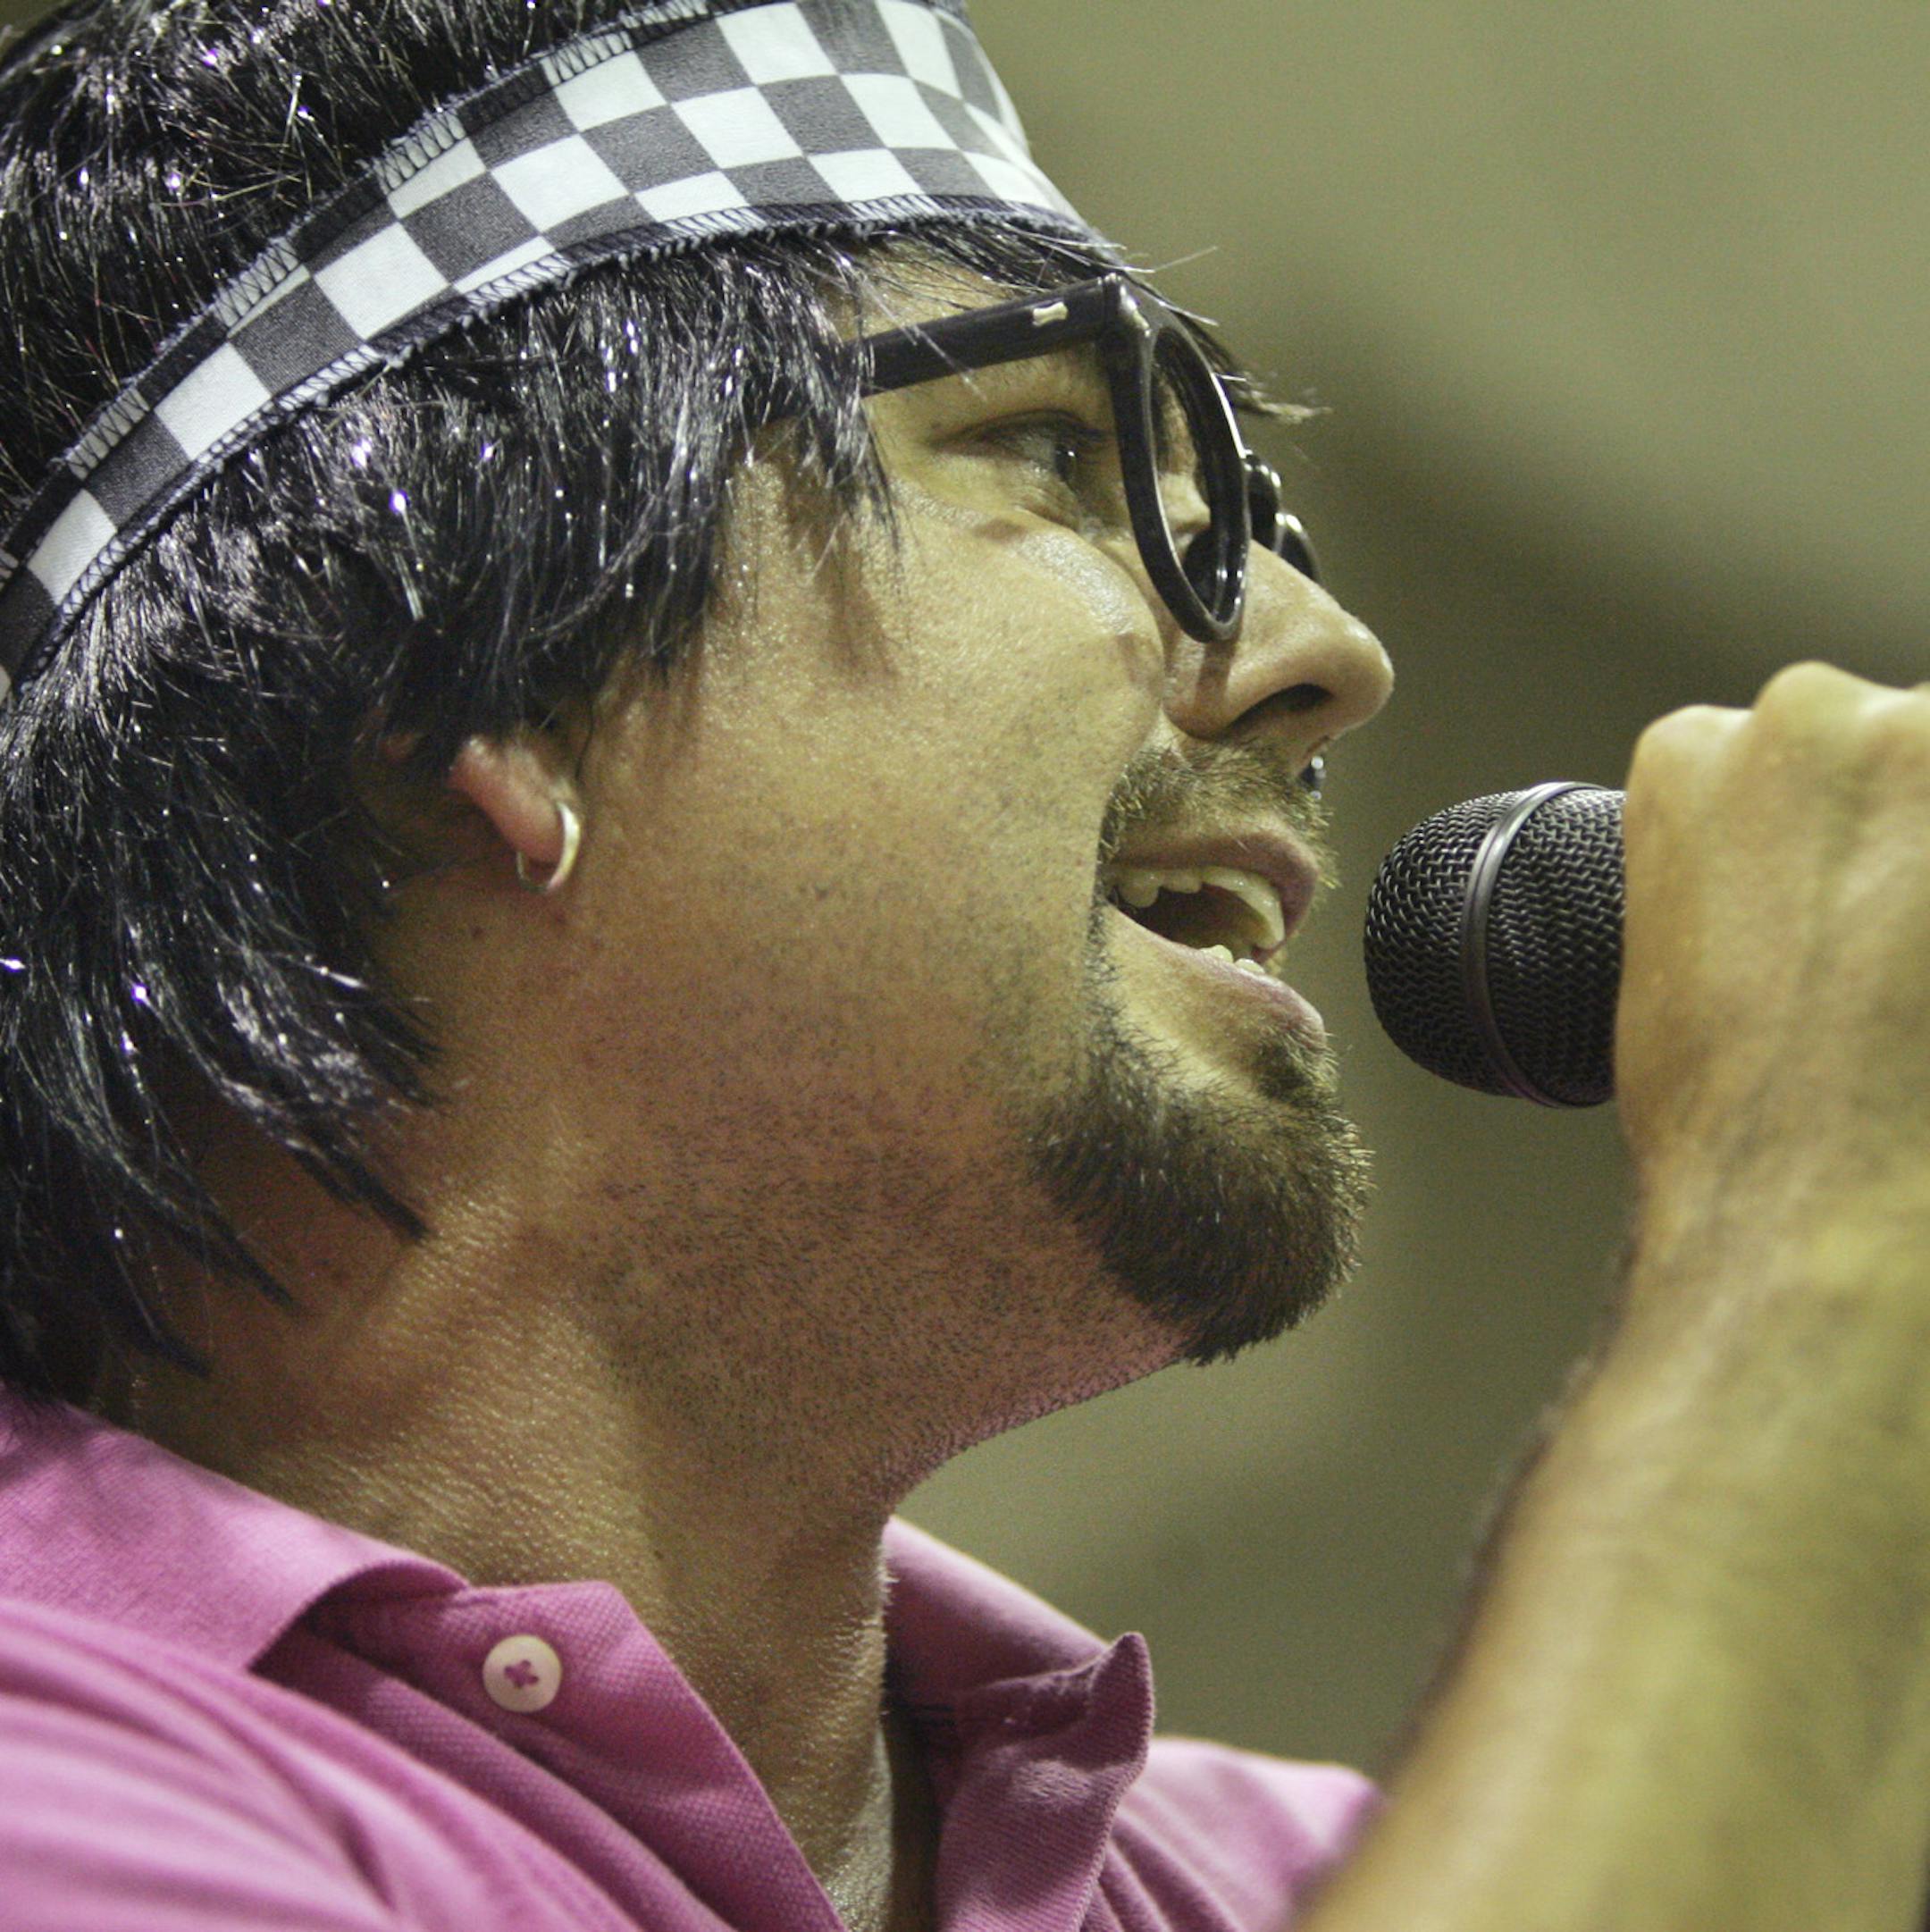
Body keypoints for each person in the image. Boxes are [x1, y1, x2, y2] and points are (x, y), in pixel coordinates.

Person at [2, 4, 1927, 1932]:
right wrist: (1808, 1248)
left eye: (1252, 517)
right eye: (1061, 457)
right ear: (449, 671)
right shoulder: (59, 1782)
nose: (1328, 652)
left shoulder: (1302, 1880)